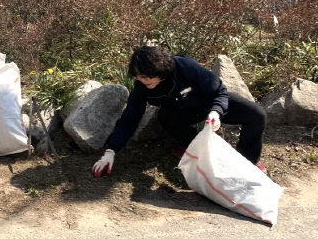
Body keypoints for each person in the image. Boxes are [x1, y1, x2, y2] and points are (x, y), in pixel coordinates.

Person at [92, 45, 267, 177]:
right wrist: (111, 151)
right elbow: (130, 117)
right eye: (138, 76)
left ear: (160, 70)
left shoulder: (185, 66)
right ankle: (195, 148)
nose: (142, 80)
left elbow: (219, 91)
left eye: (146, 77)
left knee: (256, 115)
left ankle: (247, 161)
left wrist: (216, 112)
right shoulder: (142, 86)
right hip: (180, 113)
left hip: (208, 104)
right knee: (166, 117)